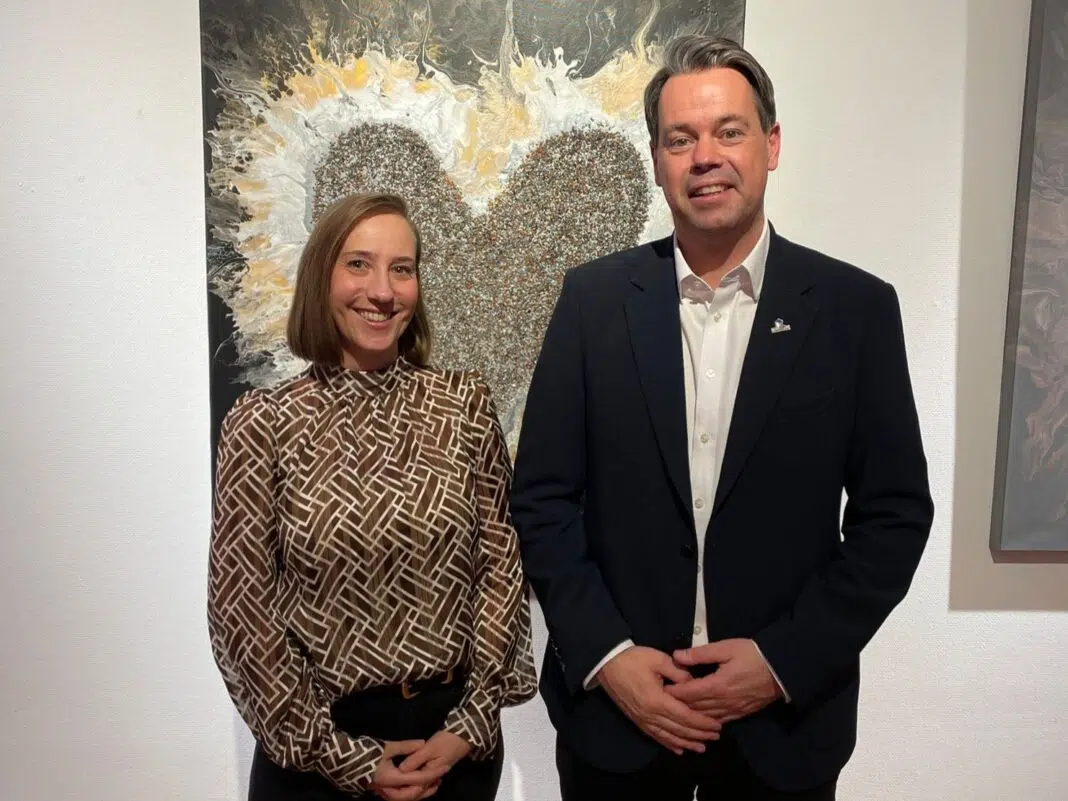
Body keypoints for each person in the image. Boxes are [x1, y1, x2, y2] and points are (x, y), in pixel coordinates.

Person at [509, 34, 934, 801]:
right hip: (617, 730)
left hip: (785, 733)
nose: (705, 156)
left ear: (771, 145)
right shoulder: (591, 303)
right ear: (656, 160)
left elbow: (895, 517)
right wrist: (607, 656)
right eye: (681, 139)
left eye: (728, 131)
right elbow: (541, 500)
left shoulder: (855, 311)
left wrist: (780, 661)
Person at [207, 191, 537, 801]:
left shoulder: (462, 405)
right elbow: (239, 609)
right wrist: (339, 755)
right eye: (358, 264)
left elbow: (500, 570)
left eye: (401, 269)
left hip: (453, 748)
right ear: (321, 277)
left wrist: (471, 723)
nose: (382, 291)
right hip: (314, 753)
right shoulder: (263, 423)